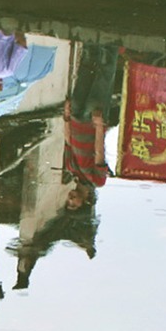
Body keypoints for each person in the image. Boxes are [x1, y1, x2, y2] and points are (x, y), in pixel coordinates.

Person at [63, 43, 120, 210]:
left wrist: (66, 117)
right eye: (73, 204)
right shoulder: (98, 180)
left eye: (68, 202)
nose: (70, 199)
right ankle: (111, 44)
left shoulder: (71, 170)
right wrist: (99, 126)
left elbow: (68, 142)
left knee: (84, 73)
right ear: (86, 201)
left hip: (75, 119)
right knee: (103, 78)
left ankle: (91, 42)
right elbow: (99, 152)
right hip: (91, 123)